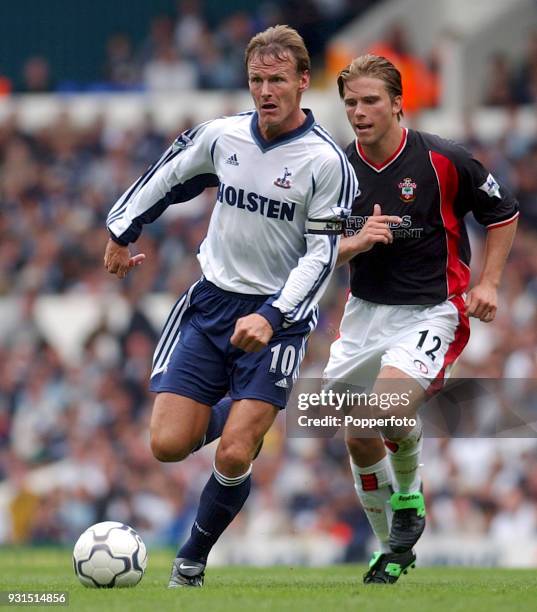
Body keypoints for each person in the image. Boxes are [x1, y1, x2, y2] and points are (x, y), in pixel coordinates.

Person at [104, 25, 358, 587]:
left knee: (238, 450)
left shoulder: (326, 163)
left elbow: (322, 256)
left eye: (277, 81)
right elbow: (167, 176)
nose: (265, 91)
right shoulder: (222, 136)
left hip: (280, 318)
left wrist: (272, 316)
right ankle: (240, 407)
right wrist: (123, 231)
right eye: (256, 80)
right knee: (168, 445)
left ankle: (192, 557)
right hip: (212, 304)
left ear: (302, 82)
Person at [323, 54, 519, 584]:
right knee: (357, 434)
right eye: (350, 104)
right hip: (363, 315)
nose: (359, 113)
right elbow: (317, 250)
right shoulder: (336, 170)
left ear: (396, 104)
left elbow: (503, 213)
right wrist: (355, 243)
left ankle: (409, 494)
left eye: (369, 101)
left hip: (433, 311)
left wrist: (490, 282)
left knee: (381, 411)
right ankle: (393, 549)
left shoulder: (443, 159)